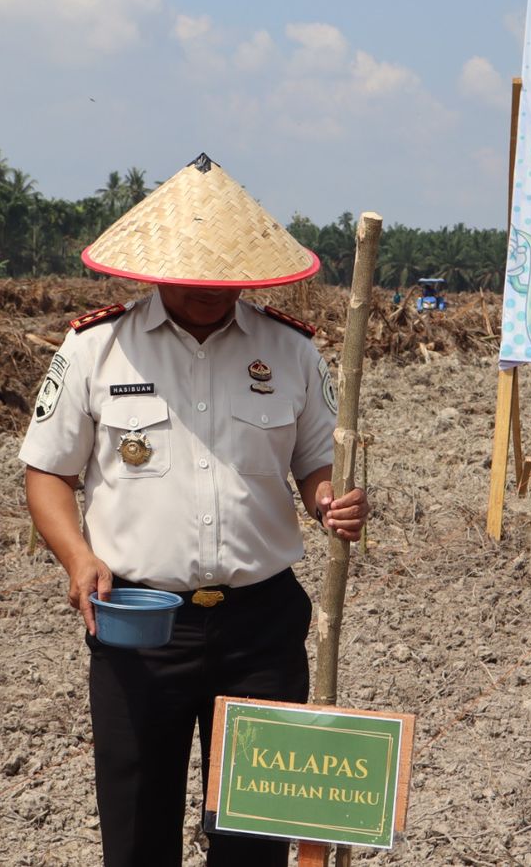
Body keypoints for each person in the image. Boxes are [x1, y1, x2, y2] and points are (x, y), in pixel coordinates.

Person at [20, 153, 370, 867]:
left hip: (260, 627)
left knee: (254, 835)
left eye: (225, 275)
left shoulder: (291, 351)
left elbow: (314, 461)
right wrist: (78, 557)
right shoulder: (95, 347)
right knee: (138, 827)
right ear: (154, 265)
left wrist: (329, 500)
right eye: (193, 273)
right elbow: (47, 473)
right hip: (137, 623)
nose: (211, 289)